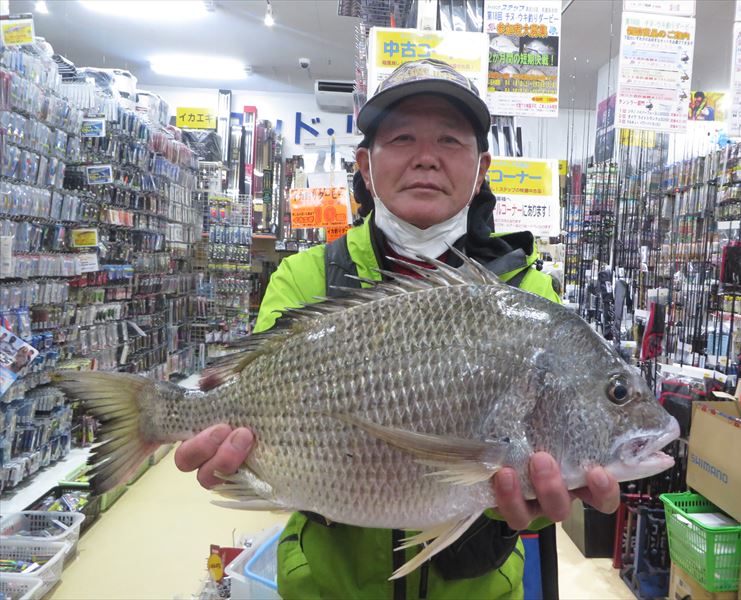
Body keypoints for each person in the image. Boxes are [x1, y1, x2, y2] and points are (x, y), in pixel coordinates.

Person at [176, 58, 620, 599]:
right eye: (403, 137)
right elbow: (247, 406)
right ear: (365, 164)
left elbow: (525, 483)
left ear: (482, 168)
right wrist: (232, 458)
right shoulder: (304, 277)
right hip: (326, 586)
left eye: (450, 141)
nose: (427, 158)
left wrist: (528, 512)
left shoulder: (531, 297)